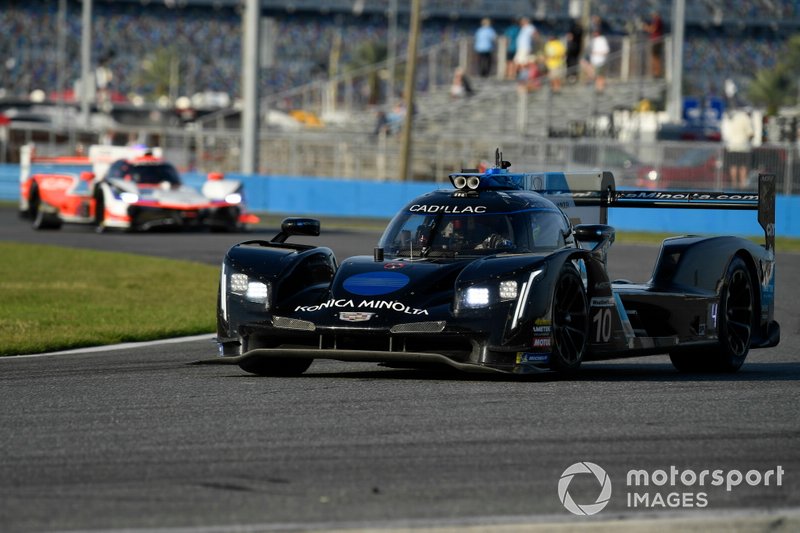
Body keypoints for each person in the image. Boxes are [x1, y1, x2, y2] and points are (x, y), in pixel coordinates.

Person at [721, 109, 754, 189]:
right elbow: (750, 133)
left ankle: (734, 184)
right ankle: (742, 185)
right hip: (743, 146)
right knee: (743, 166)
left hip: (732, 146)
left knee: (733, 165)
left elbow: (725, 132)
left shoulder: (731, 117)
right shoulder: (746, 118)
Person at [586, 27, 610, 92]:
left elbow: (606, 51)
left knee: (600, 75)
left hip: (600, 61)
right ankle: (597, 87)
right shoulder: (593, 40)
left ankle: (600, 88)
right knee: (594, 74)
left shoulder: (602, 40)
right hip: (594, 61)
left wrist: (596, 53)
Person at [642, 11, 664, 78]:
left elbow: (653, 29)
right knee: (654, 57)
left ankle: (657, 73)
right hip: (655, 41)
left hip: (656, 41)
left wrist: (645, 27)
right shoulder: (656, 21)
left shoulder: (657, 21)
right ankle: (655, 73)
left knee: (656, 58)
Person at [565, 19, 583, 84]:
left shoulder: (574, 30)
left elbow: (570, 37)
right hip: (576, 49)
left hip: (573, 49)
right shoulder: (580, 29)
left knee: (572, 62)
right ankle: (572, 76)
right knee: (573, 62)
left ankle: (572, 76)